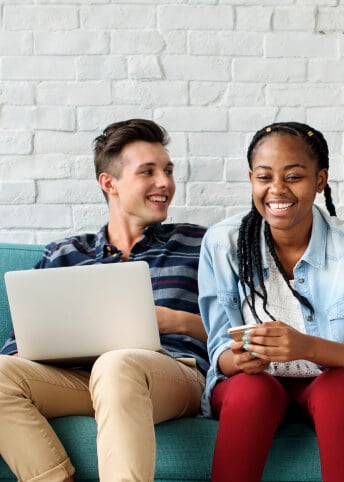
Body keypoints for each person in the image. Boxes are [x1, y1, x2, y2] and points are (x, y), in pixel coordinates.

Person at [0, 119, 208, 482]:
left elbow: (238, 329)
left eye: (168, 170)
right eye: (149, 171)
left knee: (117, 364)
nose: (165, 183)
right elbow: (18, 345)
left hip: (173, 373)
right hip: (81, 378)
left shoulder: (199, 245)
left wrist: (171, 321)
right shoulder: (65, 254)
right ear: (108, 183)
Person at [198, 122, 344, 482]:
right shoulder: (222, 243)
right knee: (249, 391)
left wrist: (304, 346)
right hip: (254, 384)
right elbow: (219, 354)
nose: (277, 189)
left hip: (332, 385)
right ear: (251, 179)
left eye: (293, 176)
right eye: (264, 177)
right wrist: (239, 359)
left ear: (320, 180)